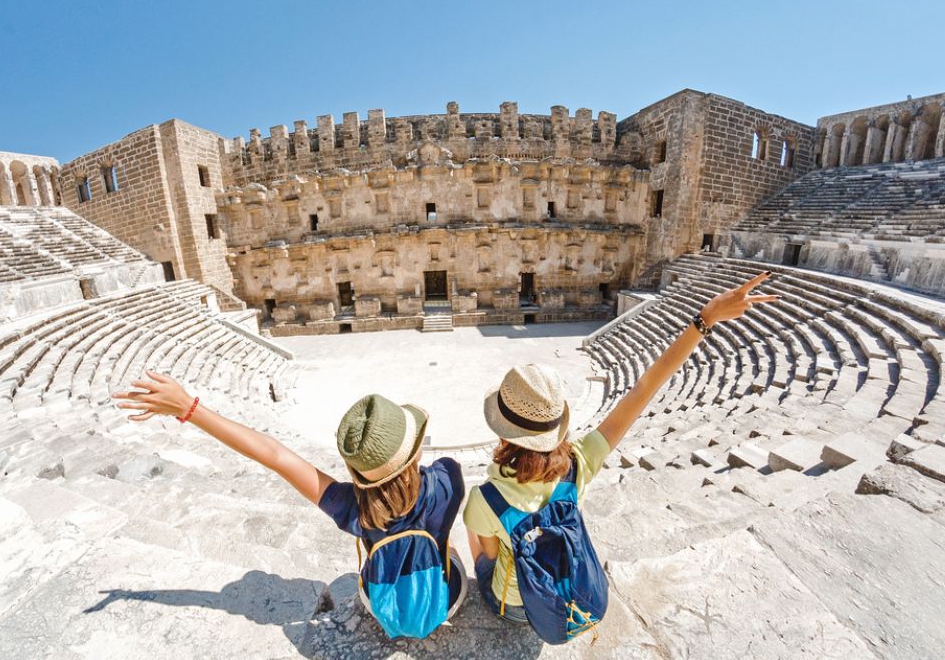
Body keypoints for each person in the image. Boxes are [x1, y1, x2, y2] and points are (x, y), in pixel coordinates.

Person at [464, 271, 779, 630]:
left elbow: (491, 555)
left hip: (521, 607)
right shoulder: (579, 463)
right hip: (571, 591)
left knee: (475, 534)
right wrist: (705, 319)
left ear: (503, 433)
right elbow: (644, 389)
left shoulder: (485, 498)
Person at [112, 381, 466, 639]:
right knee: (446, 546)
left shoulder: (352, 508)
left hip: (379, 603)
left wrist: (190, 408)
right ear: (415, 451)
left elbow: (274, 455)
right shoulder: (449, 479)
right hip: (442, 601)